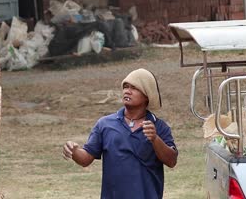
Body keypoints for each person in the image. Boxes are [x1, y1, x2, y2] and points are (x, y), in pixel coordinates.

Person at [62, 68, 178, 199]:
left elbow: (171, 161)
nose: (127, 91)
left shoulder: (159, 126)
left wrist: (155, 139)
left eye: (134, 88)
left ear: (147, 95)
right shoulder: (105, 124)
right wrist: (74, 150)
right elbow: (85, 159)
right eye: (125, 87)